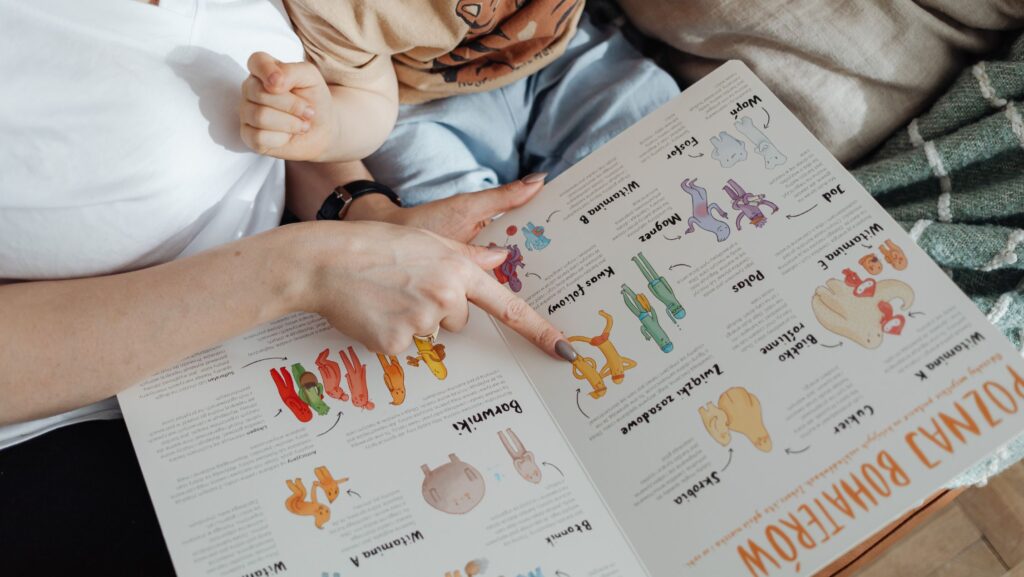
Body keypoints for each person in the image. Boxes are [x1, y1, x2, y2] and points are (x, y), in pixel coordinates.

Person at [0, 0, 575, 572]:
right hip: (84, 430)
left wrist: (365, 212)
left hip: (276, 343)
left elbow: (264, 114)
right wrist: (302, 268)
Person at [238, 0, 680, 207]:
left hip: (563, 56)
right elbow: (365, 95)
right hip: (414, 106)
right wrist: (330, 127)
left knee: (651, 123)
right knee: (454, 230)